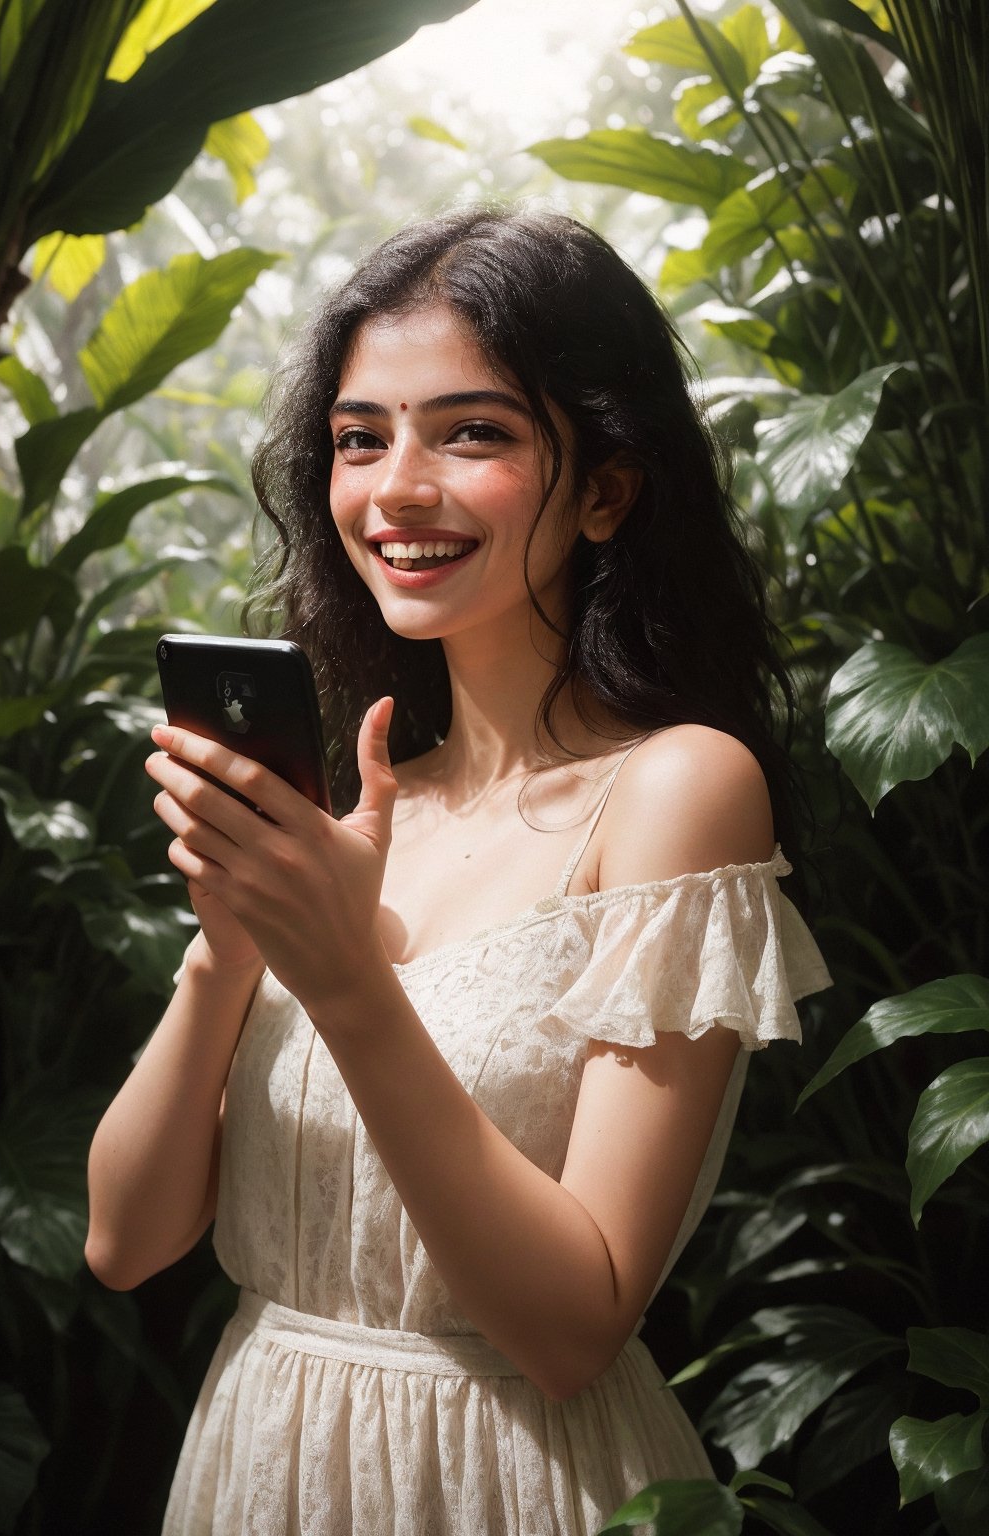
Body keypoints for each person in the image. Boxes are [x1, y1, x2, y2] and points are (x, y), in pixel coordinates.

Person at [85, 207, 831, 1535]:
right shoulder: (370, 805)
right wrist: (229, 942)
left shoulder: (678, 789)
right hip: (256, 1467)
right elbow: (123, 1243)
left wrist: (348, 981)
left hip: (505, 1481)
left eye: (471, 432)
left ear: (605, 486)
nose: (396, 488)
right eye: (360, 438)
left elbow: (572, 1329)